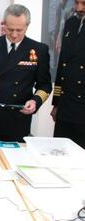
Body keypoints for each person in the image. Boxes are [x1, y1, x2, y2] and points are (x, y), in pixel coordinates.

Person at [0, 4, 52, 142]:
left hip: (18, 118)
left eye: (19, 30)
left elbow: (45, 85)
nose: (14, 35)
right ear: (4, 25)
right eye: (10, 29)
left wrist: (35, 101)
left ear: (27, 26)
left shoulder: (39, 50)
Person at [51, 0, 85, 148]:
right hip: (66, 105)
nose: (79, 8)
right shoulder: (71, 23)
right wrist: (56, 103)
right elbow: (62, 65)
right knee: (59, 152)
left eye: (84, 3)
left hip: (82, 107)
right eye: (76, 2)